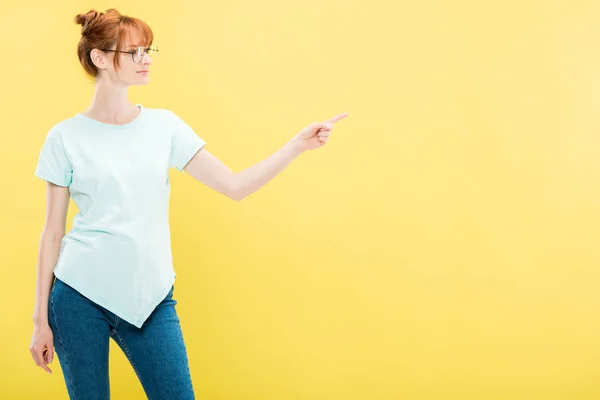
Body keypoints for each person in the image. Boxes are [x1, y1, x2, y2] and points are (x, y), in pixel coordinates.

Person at [28, 7, 347, 400]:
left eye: (148, 50)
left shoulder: (165, 128)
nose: (146, 60)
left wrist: (297, 145)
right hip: (78, 296)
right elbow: (52, 233)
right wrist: (40, 319)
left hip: (151, 297)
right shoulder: (64, 137)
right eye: (134, 53)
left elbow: (235, 186)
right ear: (99, 58)